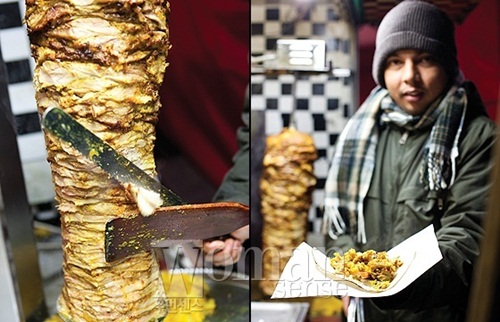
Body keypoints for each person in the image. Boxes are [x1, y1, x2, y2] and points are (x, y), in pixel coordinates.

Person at [322, 1, 496, 321]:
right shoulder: (362, 133)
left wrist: (400, 282)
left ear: (447, 65)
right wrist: (347, 279)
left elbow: (469, 235)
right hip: (367, 312)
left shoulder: (478, 137)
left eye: (426, 59)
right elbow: (339, 227)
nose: (409, 76)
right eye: (395, 62)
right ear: (381, 71)